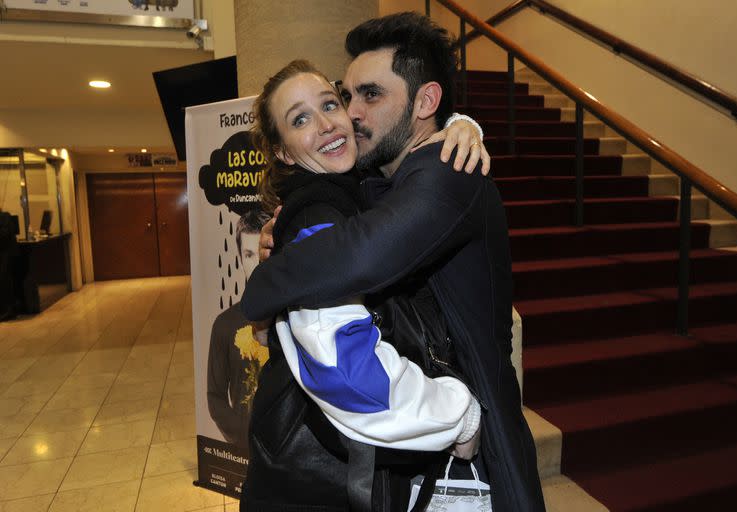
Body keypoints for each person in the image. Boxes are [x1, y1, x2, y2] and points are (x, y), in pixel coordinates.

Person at [242, 12, 545, 512]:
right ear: (283, 151)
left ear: (426, 102)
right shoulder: (367, 182)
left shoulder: (448, 169)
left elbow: (361, 253)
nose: (349, 114)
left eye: (370, 96)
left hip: (470, 442)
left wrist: (265, 288)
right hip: (413, 436)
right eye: (348, 94)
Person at [207, 209, 271, 448]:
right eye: (248, 254)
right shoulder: (224, 324)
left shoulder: (294, 319)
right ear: (239, 258)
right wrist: (243, 437)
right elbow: (215, 396)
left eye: (262, 254)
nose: (255, 264)